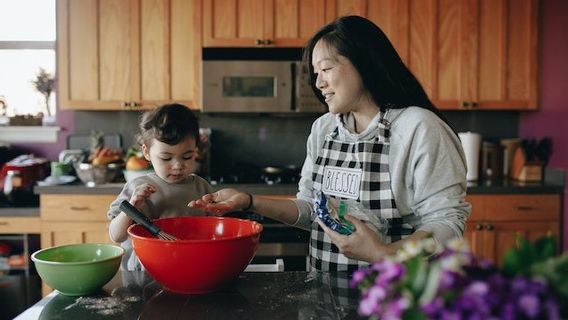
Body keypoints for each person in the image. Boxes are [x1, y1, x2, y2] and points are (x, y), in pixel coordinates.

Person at [189, 16, 470, 272]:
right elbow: (312, 209)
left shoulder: (418, 128)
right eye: (315, 73)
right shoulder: (325, 129)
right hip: (326, 296)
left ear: (365, 64)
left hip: (395, 296)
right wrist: (248, 201)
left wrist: (383, 255)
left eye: (326, 68)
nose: (319, 82)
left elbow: (445, 224)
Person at [108, 103, 213, 270]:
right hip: (144, 274)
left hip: (190, 268)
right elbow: (116, 235)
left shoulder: (201, 187)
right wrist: (133, 205)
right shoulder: (137, 188)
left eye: (187, 156)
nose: (178, 165)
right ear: (147, 152)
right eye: (166, 158)